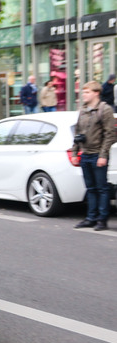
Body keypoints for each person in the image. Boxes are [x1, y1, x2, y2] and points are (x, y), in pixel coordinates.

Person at [71, 81, 115, 231]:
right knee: (90, 188)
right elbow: (78, 133)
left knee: (102, 188)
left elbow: (110, 134)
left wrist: (103, 155)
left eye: (87, 92)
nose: (84, 95)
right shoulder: (82, 110)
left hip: (98, 154)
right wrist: (75, 152)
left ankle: (102, 219)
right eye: (83, 92)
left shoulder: (105, 109)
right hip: (86, 155)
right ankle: (90, 218)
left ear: (96, 93)